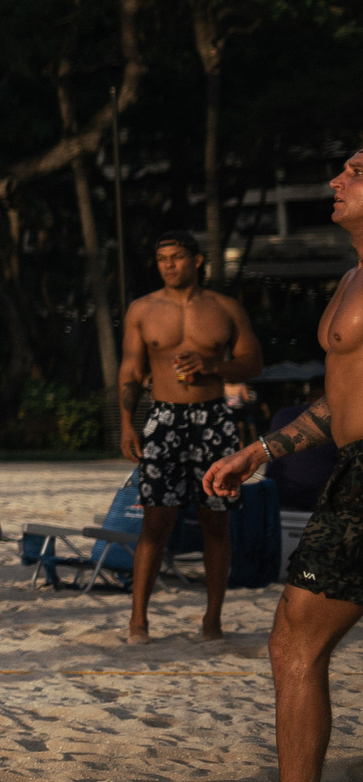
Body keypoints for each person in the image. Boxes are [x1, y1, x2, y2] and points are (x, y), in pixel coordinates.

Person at [199, 146, 363, 782]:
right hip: (351, 472)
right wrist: (260, 451)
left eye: (356, 171)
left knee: (296, 641)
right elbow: (341, 402)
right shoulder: (353, 276)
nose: (336, 181)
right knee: (296, 640)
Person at [117, 230, 263, 642]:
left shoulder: (225, 308)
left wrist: (214, 366)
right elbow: (130, 369)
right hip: (163, 417)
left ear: (196, 261)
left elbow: (252, 363)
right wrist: (128, 423)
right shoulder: (142, 310)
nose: (168, 265)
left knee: (215, 521)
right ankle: (138, 621)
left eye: (177, 257)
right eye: (162, 258)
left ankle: (212, 619)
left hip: (213, 418)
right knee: (155, 521)